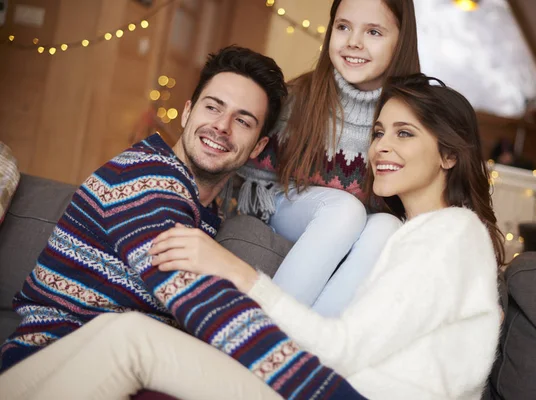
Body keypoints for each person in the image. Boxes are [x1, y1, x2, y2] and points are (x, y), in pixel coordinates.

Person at [4, 74, 505, 399]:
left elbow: (342, 349)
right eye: (378, 132)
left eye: (404, 133)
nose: (381, 148)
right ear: (187, 109)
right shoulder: (414, 236)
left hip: (332, 392)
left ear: (449, 155)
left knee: (130, 337)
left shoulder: (452, 234)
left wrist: (237, 271)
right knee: (120, 334)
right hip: (330, 384)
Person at [0, 46, 364, 400]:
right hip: (40, 370)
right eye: (212, 107)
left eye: (242, 120)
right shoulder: (143, 178)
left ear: (257, 146)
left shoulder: (206, 215)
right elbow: (196, 297)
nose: (221, 127)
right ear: (187, 112)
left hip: (102, 378)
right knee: (132, 337)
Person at [236, 0, 421, 316]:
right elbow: (255, 187)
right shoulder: (299, 97)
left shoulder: (412, 117)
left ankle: (310, 347)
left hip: (357, 228)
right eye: (343, 26)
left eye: (373, 31)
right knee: (345, 210)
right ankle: (263, 330)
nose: (354, 42)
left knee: (388, 227)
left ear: (400, 42)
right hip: (287, 203)